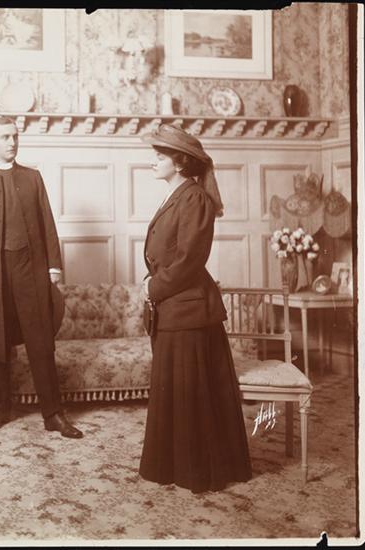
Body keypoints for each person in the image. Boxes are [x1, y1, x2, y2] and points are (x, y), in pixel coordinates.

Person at [138, 123, 251, 493]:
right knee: (177, 391)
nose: (154, 160)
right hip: (174, 307)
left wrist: (153, 286)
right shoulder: (177, 195)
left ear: (180, 162)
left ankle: (197, 471)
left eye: (160, 156)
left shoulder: (194, 199)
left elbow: (189, 260)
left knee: (189, 392)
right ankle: (174, 466)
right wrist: (153, 284)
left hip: (188, 311)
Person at [0, 116, 82, 439]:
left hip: (31, 270)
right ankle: (1, 409)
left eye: (15, 136)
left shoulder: (32, 178)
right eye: (4, 137)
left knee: (41, 343)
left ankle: (53, 414)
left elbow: (48, 225)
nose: (12, 142)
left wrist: (53, 267)